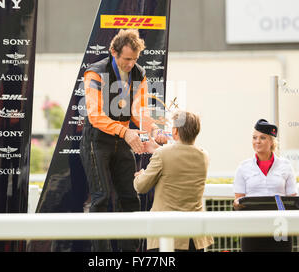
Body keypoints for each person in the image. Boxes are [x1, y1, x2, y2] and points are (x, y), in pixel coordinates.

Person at [80, 29, 167, 252]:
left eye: (135, 59)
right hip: (96, 141)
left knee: (130, 197)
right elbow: (95, 115)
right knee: (101, 198)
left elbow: (138, 111)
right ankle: (102, 256)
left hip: (123, 141)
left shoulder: (140, 72)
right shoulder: (95, 72)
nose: (131, 64)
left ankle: (131, 252)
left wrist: (154, 128)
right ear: (113, 52)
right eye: (127, 59)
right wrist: (125, 132)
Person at [133, 110, 214, 251]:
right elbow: (180, 157)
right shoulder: (204, 156)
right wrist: (158, 149)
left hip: (166, 234)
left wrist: (141, 174)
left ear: (175, 131)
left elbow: (141, 187)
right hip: (194, 237)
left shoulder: (163, 154)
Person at [233, 119, 298, 252]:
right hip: (252, 228)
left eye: (262, 138)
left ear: (271, 141)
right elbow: (238, 199)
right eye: (254, 137)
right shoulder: (243, 167)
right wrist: (237, 204)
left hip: (280, 227)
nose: (257, 141)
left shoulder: (286, 166)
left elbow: (292, 197)